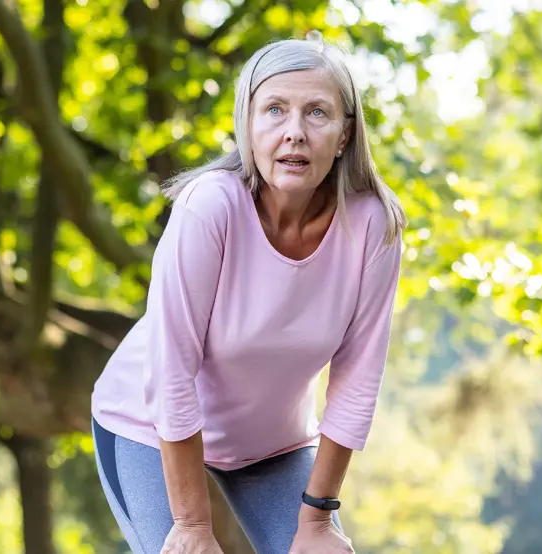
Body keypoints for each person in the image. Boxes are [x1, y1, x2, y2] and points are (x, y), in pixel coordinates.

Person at [91, 34, 406, 554]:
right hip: (148, 428)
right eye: (275, 110)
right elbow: (172, 373)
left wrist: (318, 520)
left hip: (270, 446)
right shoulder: (209, 208)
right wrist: (192, 525)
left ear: (345, 135)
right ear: (248, 125)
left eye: (317, 113)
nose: (294, 133)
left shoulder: (374, 224)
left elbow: (358, 380)